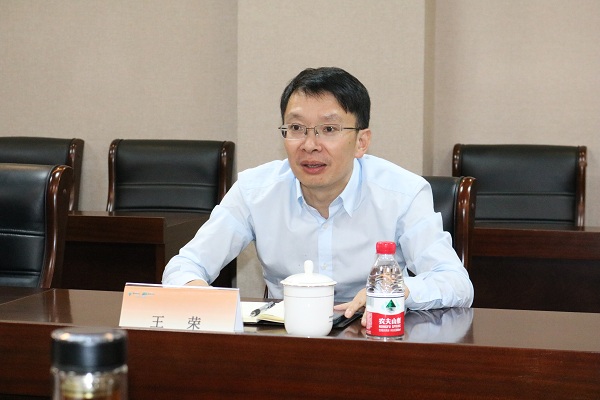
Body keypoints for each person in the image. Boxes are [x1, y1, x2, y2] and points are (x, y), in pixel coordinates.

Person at [162, 67, 474, 323]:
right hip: (285, 343)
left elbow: (456, 282)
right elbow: (184, 266)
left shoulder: (402, 193)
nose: (310, 145)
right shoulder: (254, 191)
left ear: (362, 142)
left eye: (329, 130)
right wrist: (199, 294)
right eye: (296, 128)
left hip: (373, 341)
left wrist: (397, 290)